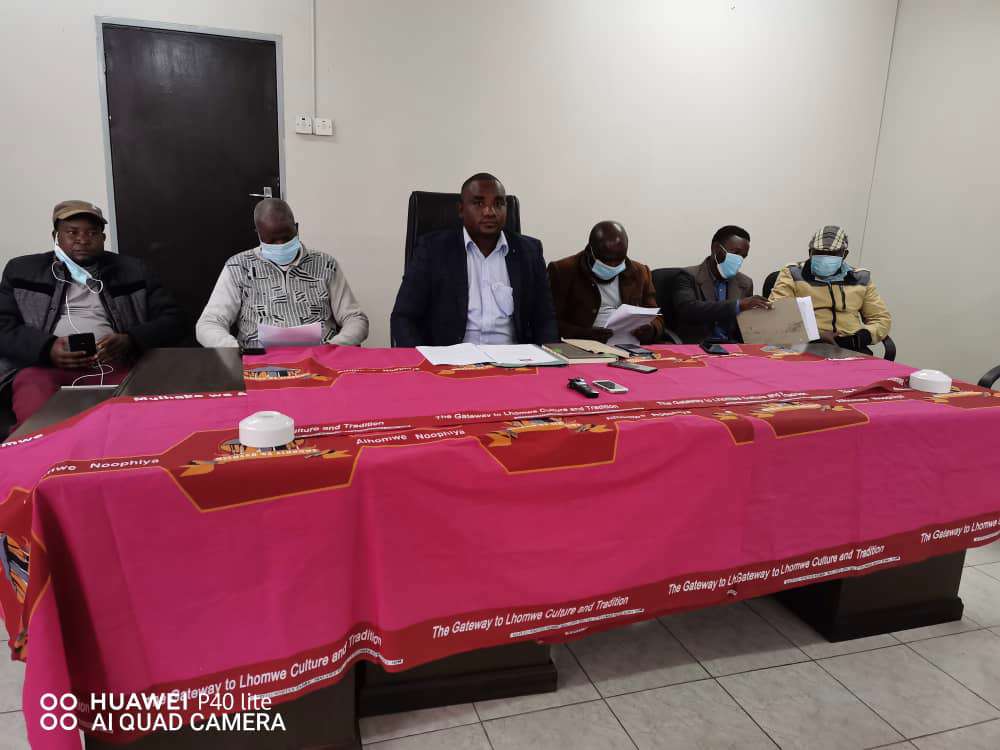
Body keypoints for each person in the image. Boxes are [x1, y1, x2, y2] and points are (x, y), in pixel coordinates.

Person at [0, 200, 185, 427]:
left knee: (145, 420)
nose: (83, 239)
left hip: (115, 365)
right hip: (44, 368)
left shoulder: (133, 270)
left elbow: (173, 320)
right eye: (72, 232)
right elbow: (3, 326)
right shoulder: (22, 270)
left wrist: (131, 339)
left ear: (103, 238)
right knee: (37, 421)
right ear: (56, 236)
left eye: (92, 233)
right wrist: (47, 348)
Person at [390, 173, 558, 347]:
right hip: (450, 358)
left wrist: (550, 358)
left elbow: (545, 319)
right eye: (479, 203)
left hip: (513, 358)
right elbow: (403, 317)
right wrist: (423, 360)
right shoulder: (432, 250)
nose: (489, 212)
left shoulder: (529, 252)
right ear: (461, 209)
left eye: (498, 203)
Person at [197, 198, 369, 348]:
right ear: (259, 234)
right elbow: (209, 323)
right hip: (258, 360)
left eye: (286, 237)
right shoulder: (238, 267)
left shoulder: (325, 264)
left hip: (319, 358)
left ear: (296, 228)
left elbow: (355, 318)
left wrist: (335, 346)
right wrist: (234, 350)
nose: (280, 244)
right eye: (272, 240)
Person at [768, 225, 891, 352]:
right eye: (819, 252)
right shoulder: (793, 274)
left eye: (832, 253)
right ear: (810, 252)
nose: (825, 257)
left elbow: (881, 318)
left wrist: (863, 336)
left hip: (852, 346)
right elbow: (777, 313)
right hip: (808, 346)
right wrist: (815, 335)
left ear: (844, 254)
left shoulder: (860, 278)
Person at [546, 221, 662, 343]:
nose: (613, 266)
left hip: (631, 346)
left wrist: (651, 329)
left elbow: (656, 317)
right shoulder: (563, 271)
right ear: (590, 251)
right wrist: (583, 334)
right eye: (606, 261)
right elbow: (548, 321)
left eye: (619, 260)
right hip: (583, 346)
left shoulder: (639, 272)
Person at [672, 225, 769, 343]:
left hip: (733, 347)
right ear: (716, 248)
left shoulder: (745, 283)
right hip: (698, 346)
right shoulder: (687, 276)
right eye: (735, 253)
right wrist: (737, 305)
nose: (739, 260)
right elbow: (688, 310)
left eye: (743, 256)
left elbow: (744, 326)